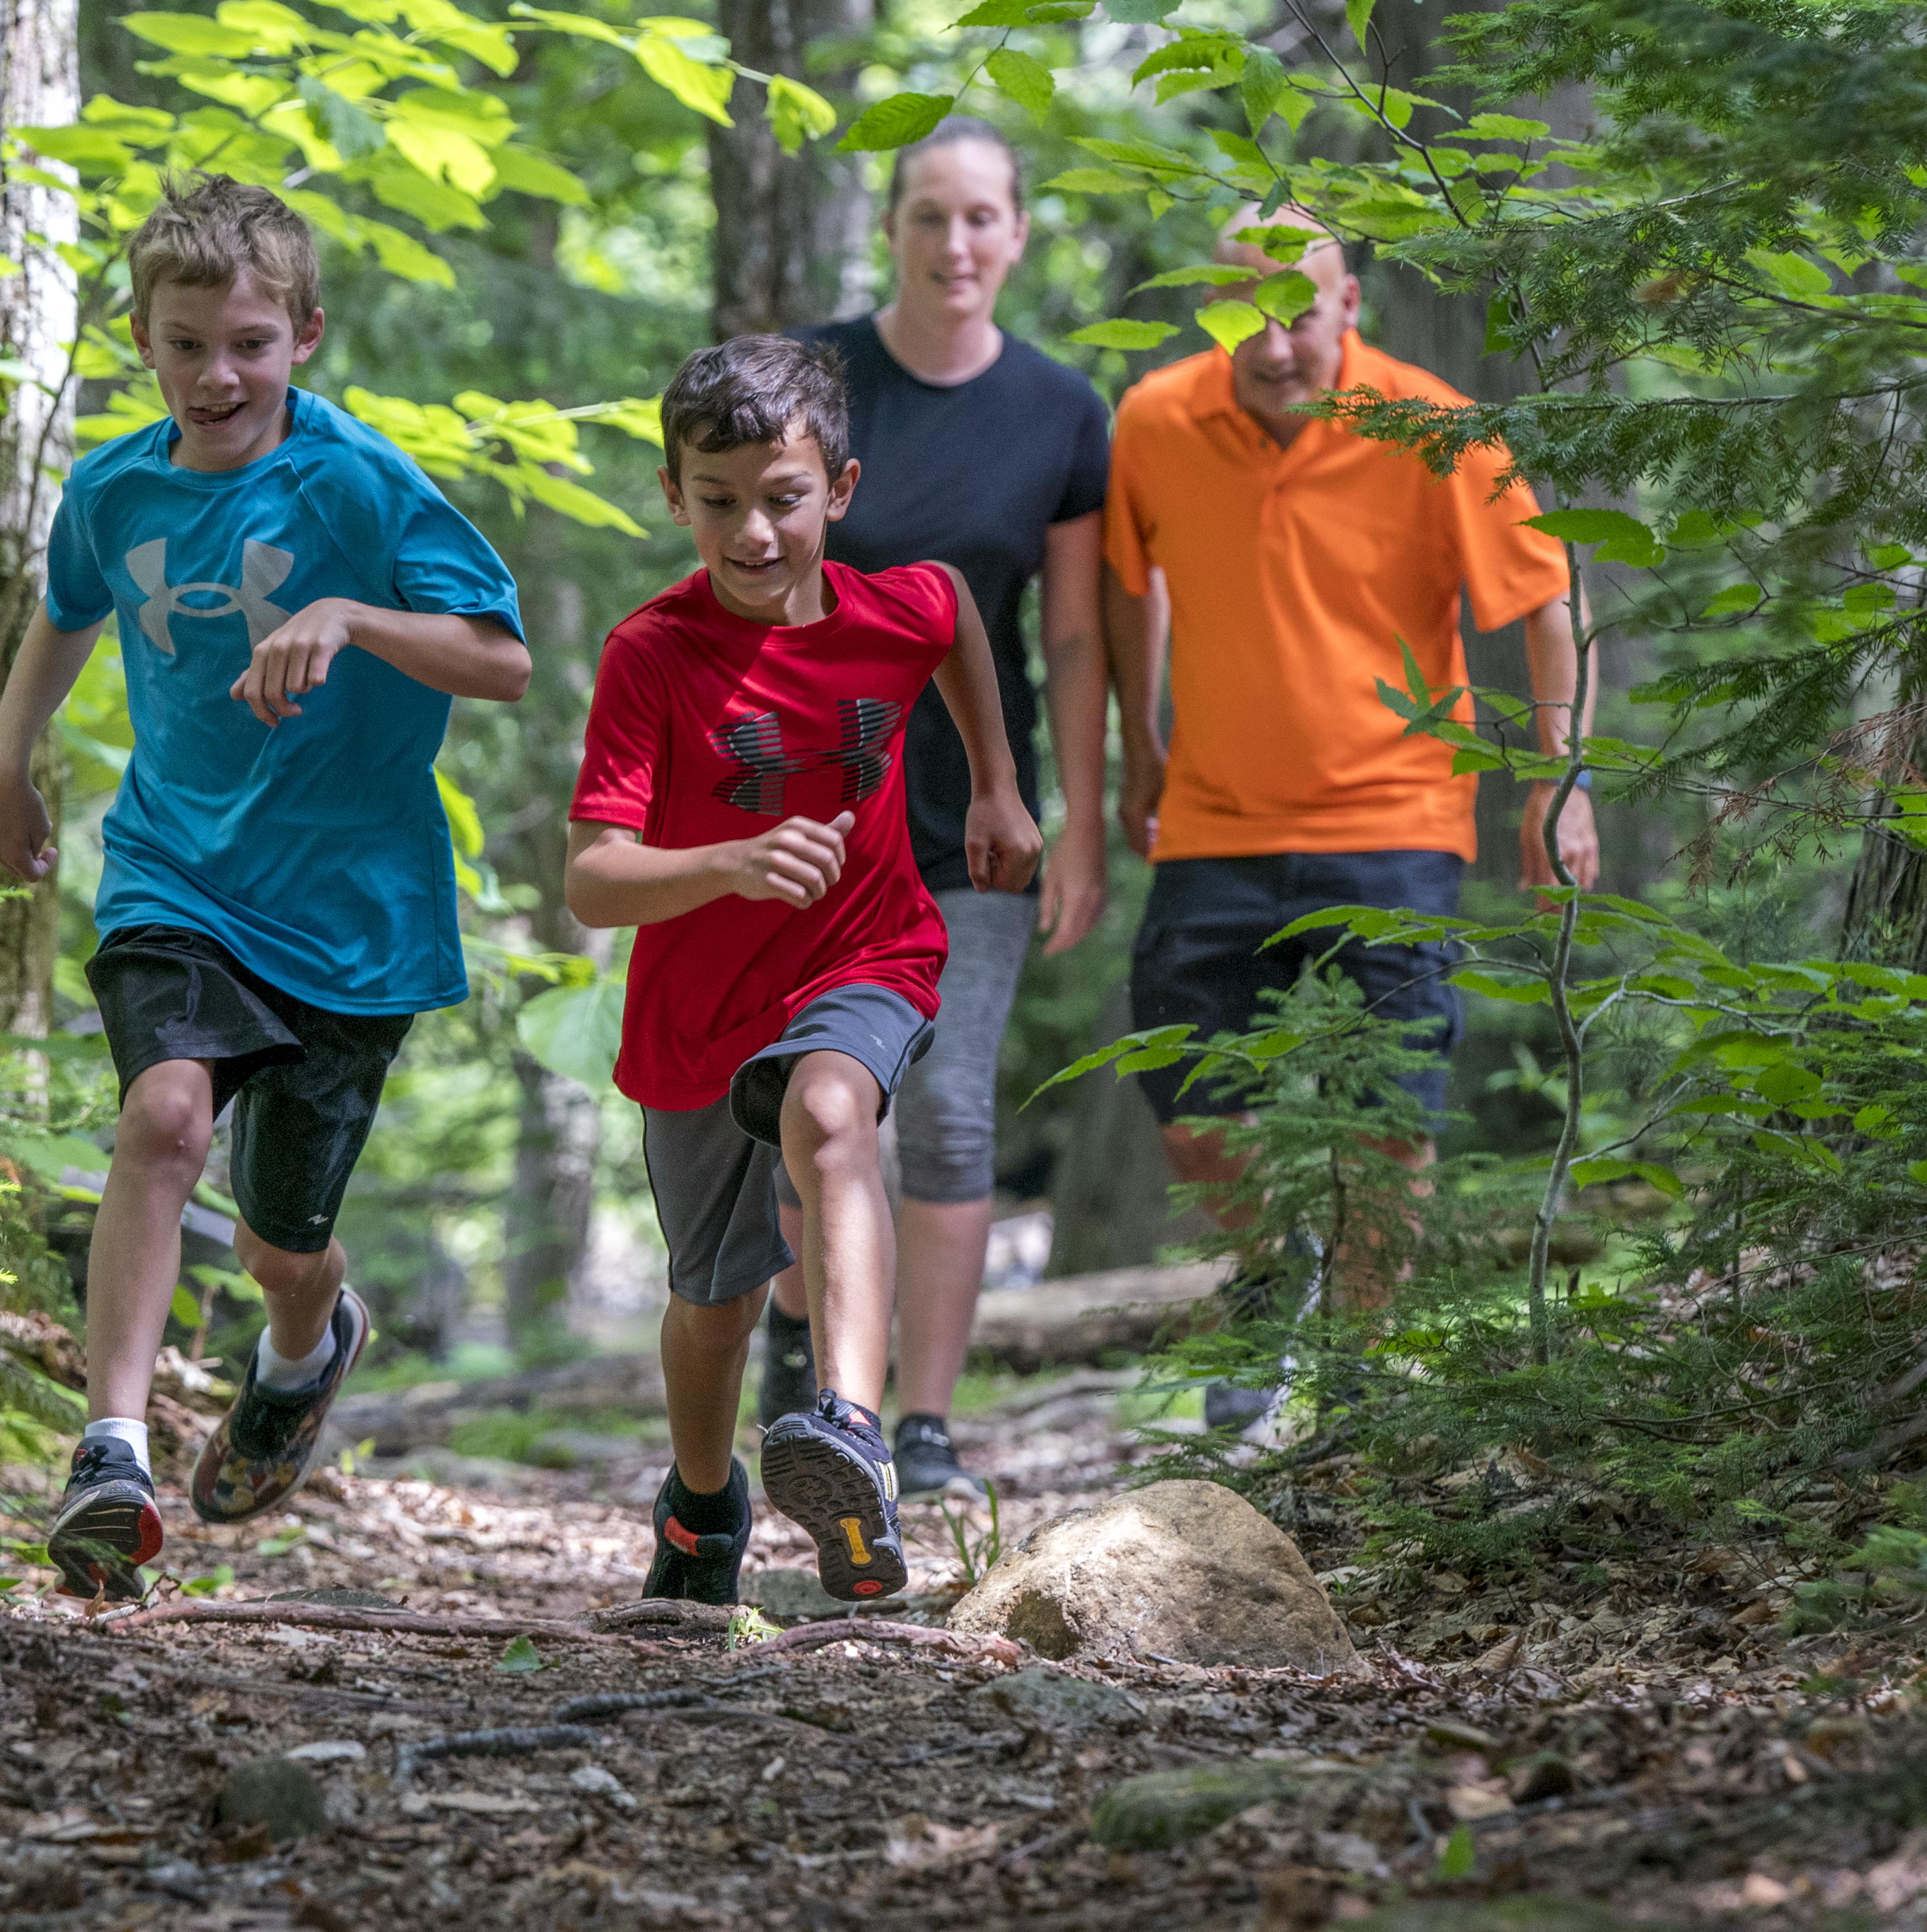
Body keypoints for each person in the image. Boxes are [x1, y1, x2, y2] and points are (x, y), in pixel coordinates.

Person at [0, 178, 531, 1597]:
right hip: (179, 870)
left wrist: (348, 614)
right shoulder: (115, 488)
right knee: (161, 1118)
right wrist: (1, 756)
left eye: (251, 343)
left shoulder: (359, 483)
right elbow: (69, 608)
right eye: (187, 344)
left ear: (306, 338)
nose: (219, 375)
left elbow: (502, 658)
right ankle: (111, 1452)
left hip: (353, 917)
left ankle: (305, 1341)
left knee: (287, 1247)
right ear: (144, 344)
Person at [566, 335, 1040, 1606]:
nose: (752, 532)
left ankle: (851, 1431)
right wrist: (725, 863)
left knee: (832, 1114)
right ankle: (702, 1505)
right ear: (676, 496)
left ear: (839, 487)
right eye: (717, 502)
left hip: (868, 947)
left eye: (782, 499)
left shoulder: (898, 607)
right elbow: (593, 879)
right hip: (697, 1012)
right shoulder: (651, 656)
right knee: (712, 1306)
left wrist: (994, 786)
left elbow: (955, 620)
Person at [1103, 205, 1594, 1428]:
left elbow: (1545, 595)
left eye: (1301, 315)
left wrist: (1556, 785)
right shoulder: (1155, 422)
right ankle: (1276, 1281)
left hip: (1398, 816)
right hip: (1213, 818)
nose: (1274, 345)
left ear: (1351, 310)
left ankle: (1356, 1373)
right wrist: (1141, 747)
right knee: (1181, 1071)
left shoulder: (1432, 430)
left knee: (1391, 1107)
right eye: (1248, 317)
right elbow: (1132, 588)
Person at [751, 117, 1116, 1497]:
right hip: (808, 808)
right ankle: (805, 1354)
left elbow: (1070, 639)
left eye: (981, 219)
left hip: (979, 810)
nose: (954, 245)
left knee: (954, 1111)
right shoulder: (814, 376)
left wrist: (1079, 813)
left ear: (1018, 234)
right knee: (820, 1101)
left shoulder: (1062, 413)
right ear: (893, 231)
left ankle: (925, 1426)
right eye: (928, 217)